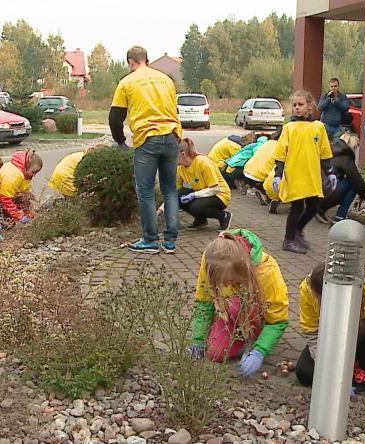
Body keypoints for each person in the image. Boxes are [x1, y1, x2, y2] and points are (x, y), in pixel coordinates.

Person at [296, 262, 365, 412]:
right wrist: (333, 378)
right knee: (305, 373)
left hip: (363, 337)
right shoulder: (308, 289)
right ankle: (346, 373)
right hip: (331, 338)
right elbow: (312, 332)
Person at [110, 45, 182, 254]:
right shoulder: (166, 80)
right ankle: (170, 242)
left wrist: (121, 141)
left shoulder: (127, 82)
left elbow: (116, 117)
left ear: (131, 63)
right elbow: (174, 109)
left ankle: (150, 240)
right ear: (147, 60)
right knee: (170, 189)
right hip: (171, 136)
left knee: (146, 191)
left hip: (146, 139)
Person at [187, 229, 289, 377]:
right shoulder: (211, 259)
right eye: (222, 282)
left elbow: (277, 320)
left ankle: (254, 337)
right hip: (233, 313)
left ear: (241, 267)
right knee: (215, 352)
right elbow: (204, 300)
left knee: (238, 302)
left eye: (230, 280)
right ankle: (240, 335)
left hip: (255, 314)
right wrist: (199, 339)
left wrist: (260, 351)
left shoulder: (267, 271)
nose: (226, 285)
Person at [273, 90, 335, 254]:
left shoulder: (318, 127)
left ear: (310, 106)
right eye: (294, 105)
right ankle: (288, 240)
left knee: (314, 207)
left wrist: (330, 171)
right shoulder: (289, 128)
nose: (297, 108)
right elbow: (280, 153)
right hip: (295, 175)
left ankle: (298, 230)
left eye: (300, 104)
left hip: (312, 176)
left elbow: (324, 152)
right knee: (297, 207)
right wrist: (278, 175)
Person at [173, 138, 232, 231]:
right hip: (202, 193)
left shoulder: (203, 162)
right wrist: (161, 209)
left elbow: (215, 188)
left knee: (196, 207)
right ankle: (201, 221)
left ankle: (223, 216)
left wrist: (193, 195)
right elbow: (175, 192)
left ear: (182, 154)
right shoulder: (180, 168)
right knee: (179, 194)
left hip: (219, 194)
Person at [316, 132, 365, 224]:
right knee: (352, 185)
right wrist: (363, 194)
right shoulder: (346, 157)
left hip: (316, 193)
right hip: (326, 193)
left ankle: (320, 210)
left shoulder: (329, 150)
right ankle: (340, 216)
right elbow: (356, 180)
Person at [0, 149, 42, 225]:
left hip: (4, 196)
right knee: (10, 222)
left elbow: (23, 191)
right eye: (33, 172)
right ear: (27, 166)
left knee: (27, 197)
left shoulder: (24, 172)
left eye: (36, 172)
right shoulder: (13, 175)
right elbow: (5, 199)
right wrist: (19, 216)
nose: (34, 175)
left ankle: (23, 217)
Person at [242, 130, 281, 206]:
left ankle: (259, 190)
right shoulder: (280, 148)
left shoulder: (267, 143)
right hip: (259, 177)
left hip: (246, 173)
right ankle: (266, 194)